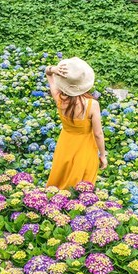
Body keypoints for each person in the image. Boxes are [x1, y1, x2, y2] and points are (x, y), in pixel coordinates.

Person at [44, 57, 107, 190]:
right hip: (85, 147)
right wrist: (102, 155)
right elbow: (98, 134)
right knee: (83, 183)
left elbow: (47, 73)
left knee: (62, 174)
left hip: (65, 143)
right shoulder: (92, 105)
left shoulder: (59, 98)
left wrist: (52, 70)